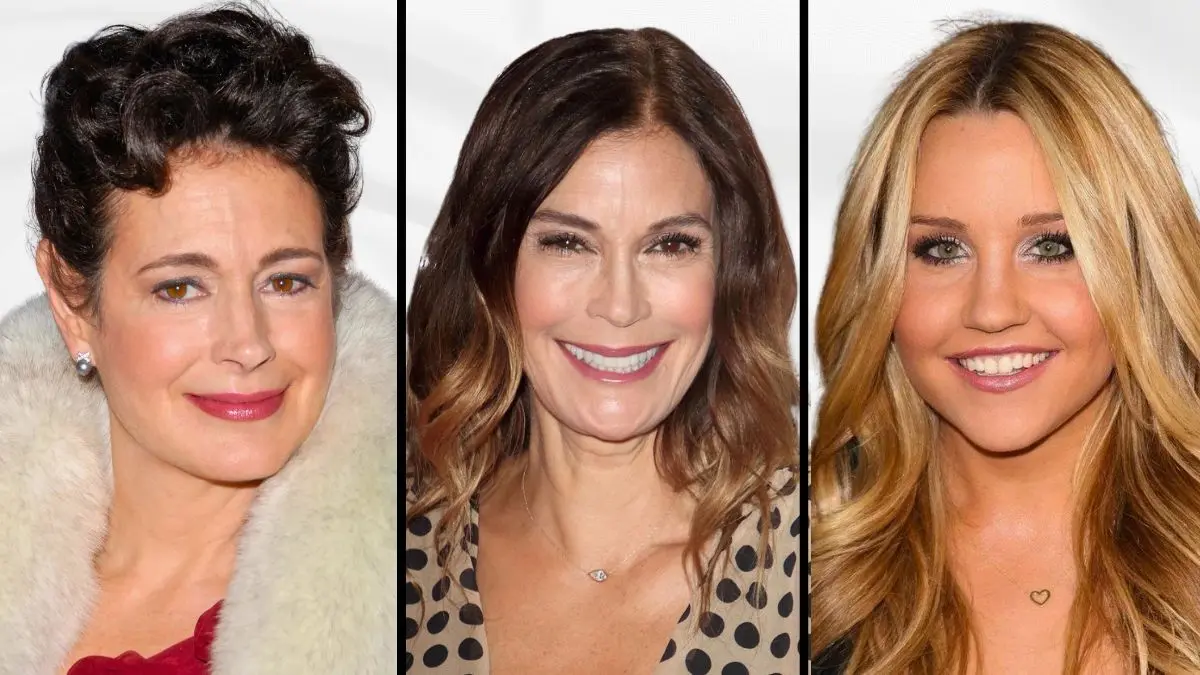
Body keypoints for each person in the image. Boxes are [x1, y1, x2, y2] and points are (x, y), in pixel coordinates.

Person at [0, 5, 396, 674]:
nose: (248, 343)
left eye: (286, 282)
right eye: (181, 288)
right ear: (73, 302)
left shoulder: (413, 597)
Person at [405, 27, 801, 674]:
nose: (620, 305)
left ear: (730, 274)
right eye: (568, 243)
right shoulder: (399, 547)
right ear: (491, 267)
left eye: (670, 245)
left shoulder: (821, 554)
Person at [810, 20, 1200, 675]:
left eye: (1052, 246)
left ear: (1142, 261)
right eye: (942, 249)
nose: (992, 310)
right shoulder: (784, 565)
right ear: (877, 278)